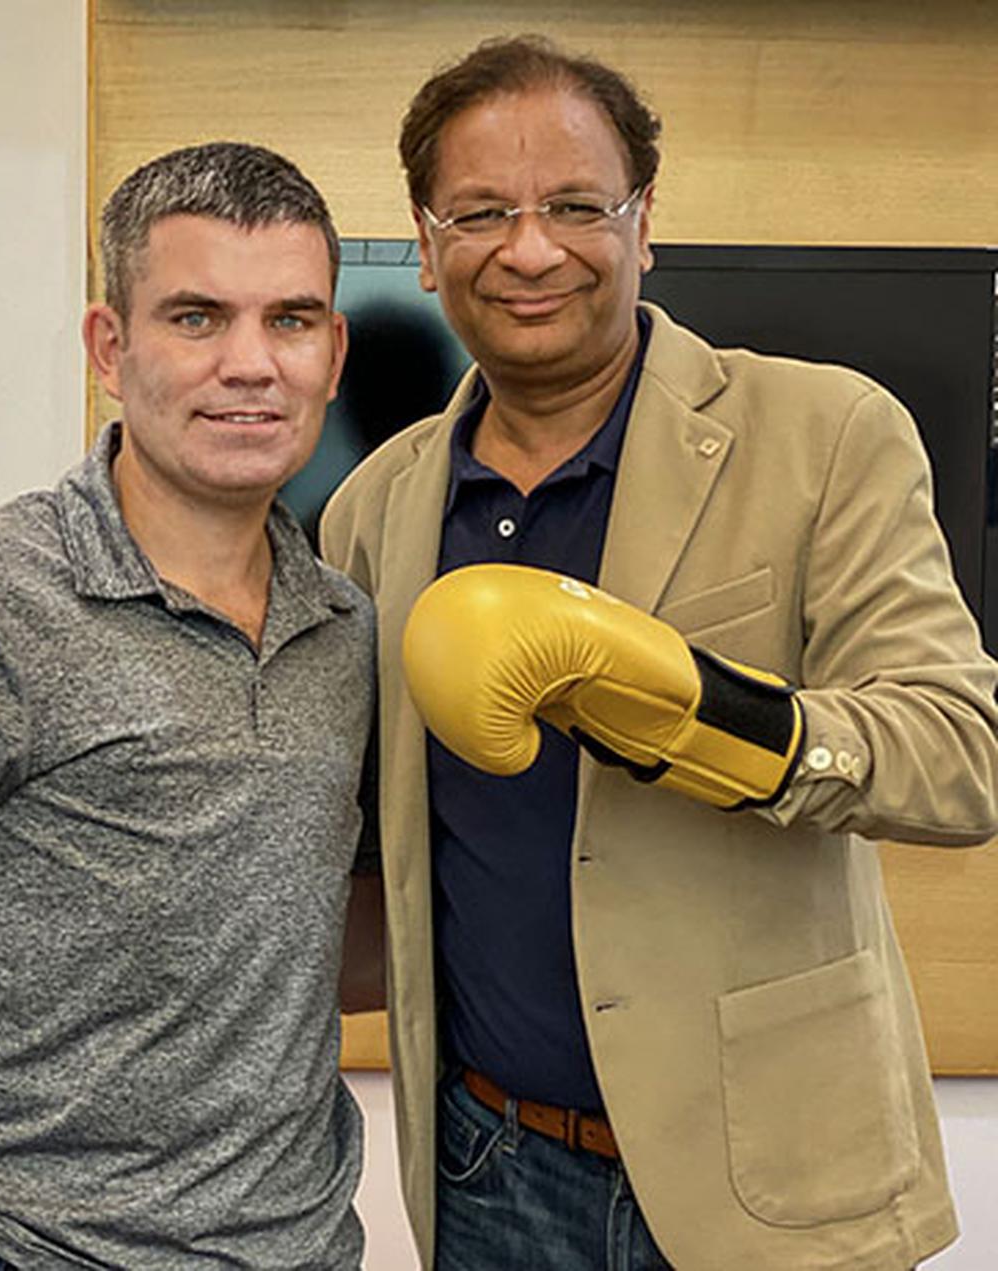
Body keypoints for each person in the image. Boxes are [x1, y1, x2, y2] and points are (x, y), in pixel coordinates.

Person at [319, 34, 998, 1271]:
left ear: (644, 222)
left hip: (777, 1166)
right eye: (482, 212)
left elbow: (960, 759)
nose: (531, 249)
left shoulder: (825, 432)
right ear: (425, 243)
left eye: (577, 205)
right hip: (489, 1161)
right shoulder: (372, 507)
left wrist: (696, 705)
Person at [0, 141, 381, 1270]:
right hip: (16, 1243)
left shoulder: (346, 626)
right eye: (198, 317)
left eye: (292, 320)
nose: (251, 364)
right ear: (111, 347)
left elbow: (302, 938)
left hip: (300, 1247)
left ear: (334, 350)